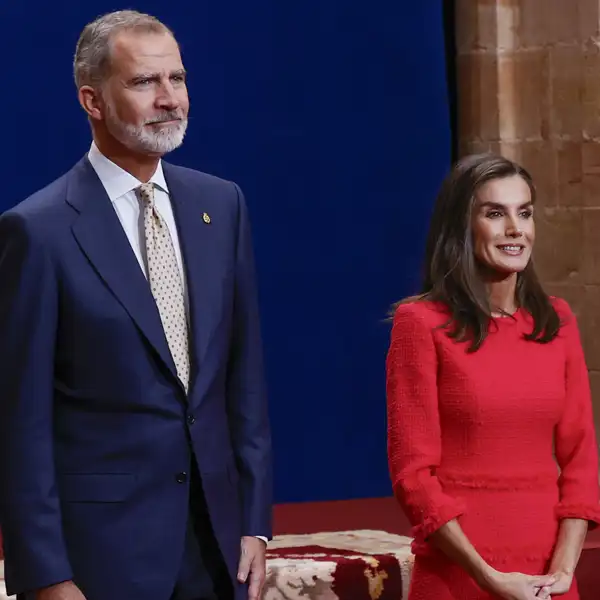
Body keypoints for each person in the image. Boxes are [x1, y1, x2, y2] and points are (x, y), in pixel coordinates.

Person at [0, 10, 272, 600]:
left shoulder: (221, 205)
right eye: (145, 82)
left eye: (177, 79)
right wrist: (46, 575)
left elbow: (241, 381)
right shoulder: (37, 231)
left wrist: (255, 523)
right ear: (92, 101)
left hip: (217, 548)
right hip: (101, 559)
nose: (169, 99)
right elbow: (19, 422)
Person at [386, 153, 600, 600]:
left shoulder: (557, 322)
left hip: (549, 581)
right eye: (495, 213)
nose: (515, 229)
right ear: (462, 226)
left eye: (524, 213)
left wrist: (562, 571)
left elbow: (581, 460)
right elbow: (413, 476)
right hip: (461, 577)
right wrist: (489, 577)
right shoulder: (421, 322)